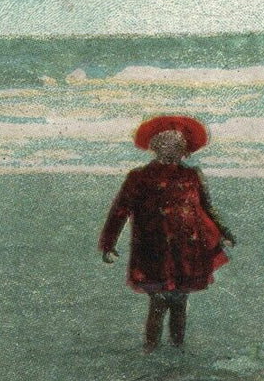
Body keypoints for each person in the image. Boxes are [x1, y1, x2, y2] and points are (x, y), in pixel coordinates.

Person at [100, 116, 235, 351]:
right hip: (154, 251)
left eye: (176, 144)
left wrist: (224, 232)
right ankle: (151, 349)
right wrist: (108, 243)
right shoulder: (138, 177)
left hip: (186, 250)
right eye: (164, 143)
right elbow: (120, 210)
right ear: (154, 146)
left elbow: (206, 207)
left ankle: (177, 348)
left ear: (185, 149)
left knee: (180, 301)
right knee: (159, 300)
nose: (170, 148)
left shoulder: (192, 176)